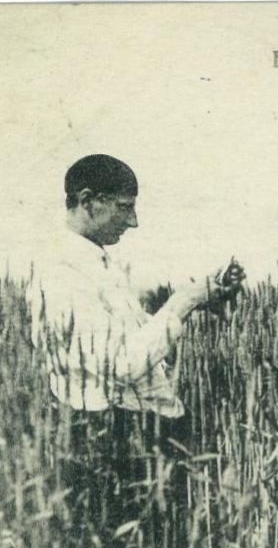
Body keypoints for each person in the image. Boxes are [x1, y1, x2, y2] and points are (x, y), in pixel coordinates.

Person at [26, 153, 243, 417]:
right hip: (119, 432)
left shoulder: (93, 263)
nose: (133, 221)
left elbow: (133, 343)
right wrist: (183, 301)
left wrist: (202, 298)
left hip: (137, 426)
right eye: (124, 207)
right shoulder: (61, 272)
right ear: (87, 201)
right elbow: (121, 364)